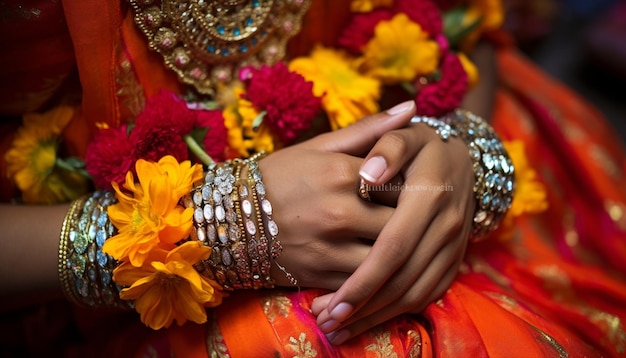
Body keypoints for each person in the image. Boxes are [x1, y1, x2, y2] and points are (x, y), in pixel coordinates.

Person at [0, 0, 625, 357]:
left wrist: (458, 143)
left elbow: (468, 24)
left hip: (417, 165)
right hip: (103, 288)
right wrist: (207, 229)